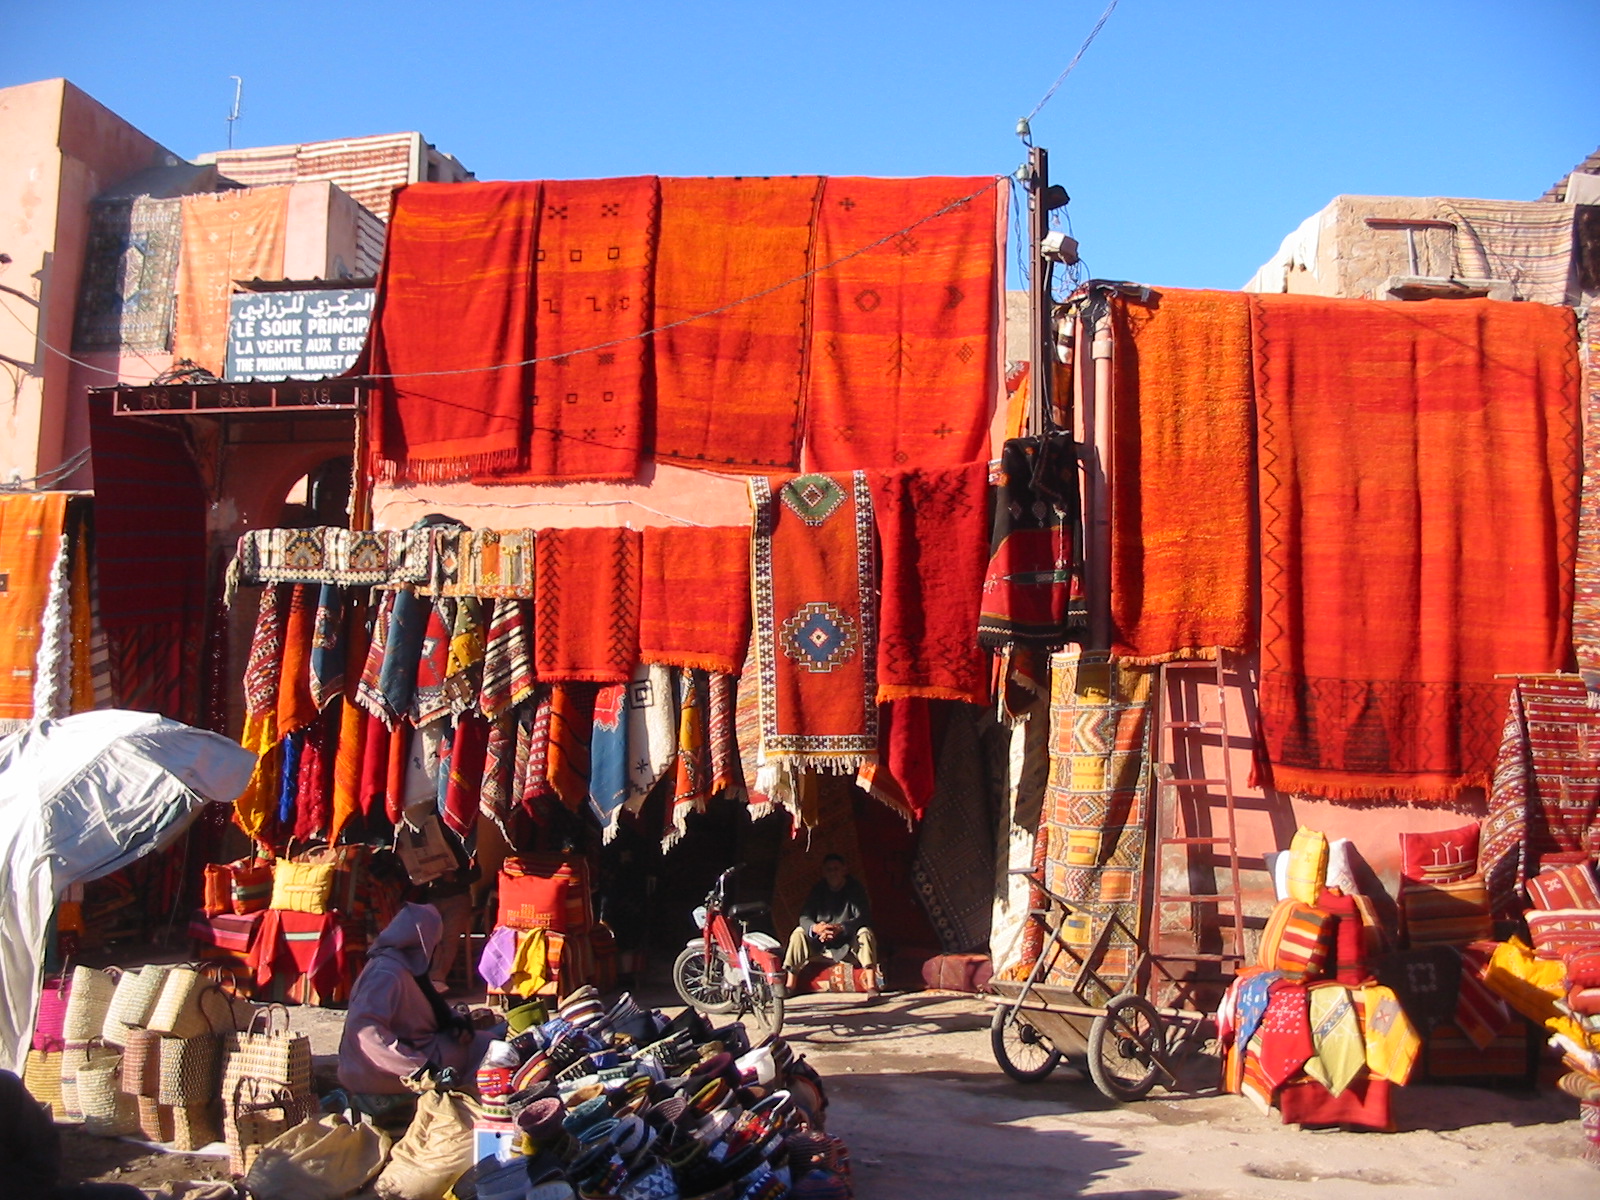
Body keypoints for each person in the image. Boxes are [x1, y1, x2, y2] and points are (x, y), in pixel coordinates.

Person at [338, 902, 492, 1116]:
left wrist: (454, 1021)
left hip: (410, 1053)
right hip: (379, 1070)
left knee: (488, 1041)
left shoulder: (402, 964)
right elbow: (366, 1031)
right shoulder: (386, 972)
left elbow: (428, 1005)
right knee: (489, 1052)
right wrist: (418, 1068)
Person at [784, 854, 881, 999]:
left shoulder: (854, 888)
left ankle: (872, 986)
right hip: (821, 940)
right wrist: (816, 928)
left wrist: (841, 928)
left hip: (847, 940)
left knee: (865, 933)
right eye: (829, 870)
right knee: (798, 933)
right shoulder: (818, 889)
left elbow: (863, 917)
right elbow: (804, 917)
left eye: (836, 869)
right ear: (824, 872)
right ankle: (790, 985)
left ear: (844, 870)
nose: (833, 873)